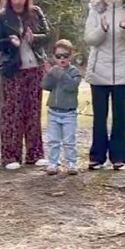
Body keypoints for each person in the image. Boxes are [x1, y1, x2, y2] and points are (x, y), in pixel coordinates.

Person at [0, 0, 50, 170]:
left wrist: (35, 39)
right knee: (12, 113)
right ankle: (10, 156)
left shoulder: (35, 13)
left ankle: (35, 153)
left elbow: (48, 35)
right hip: (13, 69)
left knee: (33, 112)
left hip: (34, 68)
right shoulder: (0, 17)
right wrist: (9, 42)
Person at [83, 0, 125, 170]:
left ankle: (119, 157)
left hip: (124, 71)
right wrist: (103, 29)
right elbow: (89, 39)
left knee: (120, 116)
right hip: (99, 71)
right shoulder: (95, 9)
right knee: (99, 116)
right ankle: (97, 156)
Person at [42, 39, 82, 176]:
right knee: (53, 140)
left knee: (69, 140)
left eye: (65, 55)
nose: (62, 59)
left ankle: (71, 162)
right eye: (58, 56)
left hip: (69, 113)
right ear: (54, 57)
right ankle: (53, 162)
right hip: (53, 111)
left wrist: (59, 74)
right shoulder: (53, 71)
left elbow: (71, 86)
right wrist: (49, 73)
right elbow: (45, 86)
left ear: (70, 56)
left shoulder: (74, 71)